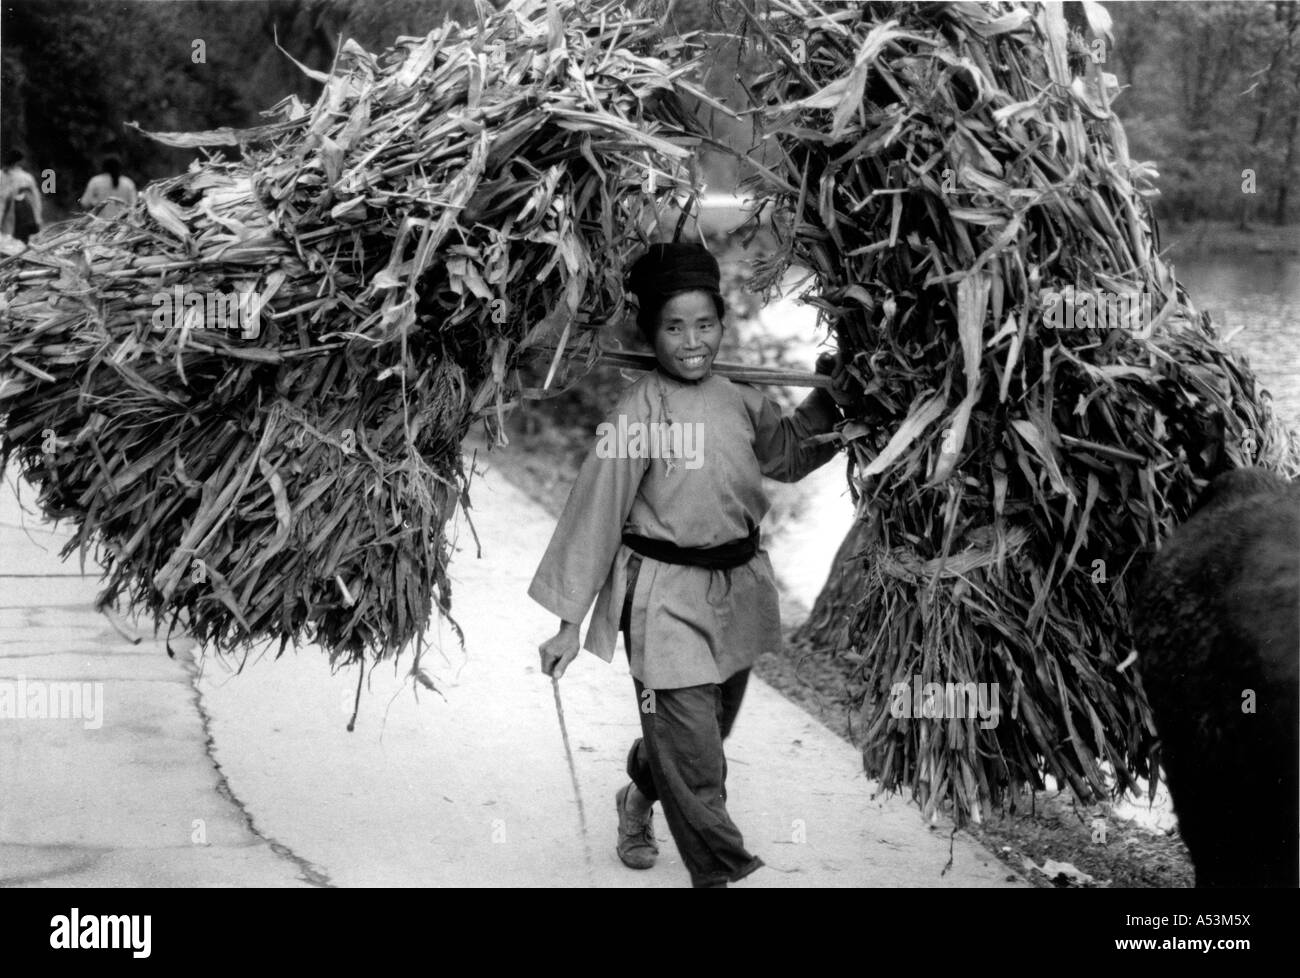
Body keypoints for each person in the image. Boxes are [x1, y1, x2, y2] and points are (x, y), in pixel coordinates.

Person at [529, 242, 858, 887]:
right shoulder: (638, 412)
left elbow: (788, 455)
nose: (691, 342)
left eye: (704, 324)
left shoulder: (740, 396)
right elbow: (594, 514)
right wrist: (569, 622)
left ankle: (637, 795)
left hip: (736, 591)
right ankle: (723, 873)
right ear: (650, 333)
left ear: (722, 325)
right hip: (663, 600)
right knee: (701, 765)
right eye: (673, 327)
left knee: (700, 735)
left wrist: (834, 399)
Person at [0, 150, 43, 243]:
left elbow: (35, 200)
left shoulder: (23, 177)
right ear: (18, 162)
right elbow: (36, 200)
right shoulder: (25, 177)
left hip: (15, 215)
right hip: (16, 214)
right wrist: (38, 219)